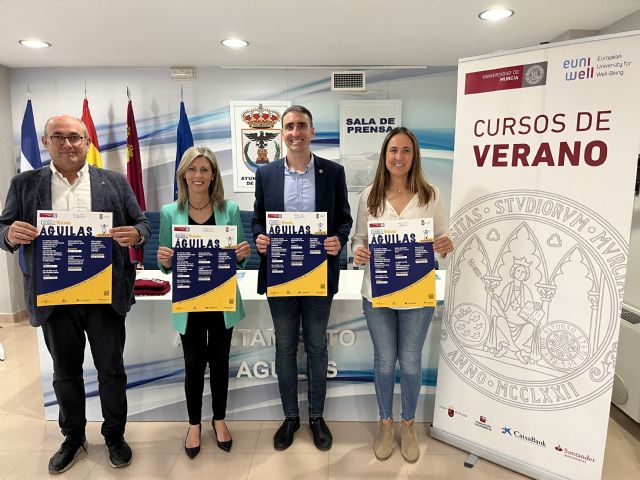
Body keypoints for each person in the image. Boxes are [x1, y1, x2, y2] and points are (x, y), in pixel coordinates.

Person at [0, 114, 151, 474]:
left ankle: (114, 435)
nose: (67, 144)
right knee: (65, 373)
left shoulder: (114, 182)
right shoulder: (24, 184)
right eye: (58, 137)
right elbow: (3, 227)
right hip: (54, 296)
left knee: (111, 370)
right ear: (45, 142)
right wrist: (9, 235)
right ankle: (73, 437)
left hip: (104, 296)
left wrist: (137, 235)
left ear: (87, 142)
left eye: (74, 137)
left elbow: (142, 223)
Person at [252, 105, 352, 451]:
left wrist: (338, 238)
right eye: (290, 126)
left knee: (316, 346)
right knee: (284, 347)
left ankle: (316, 417)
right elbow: (257, 220)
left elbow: (344, 219)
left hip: (318, 275)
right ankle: (291, 417)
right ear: (282, 133)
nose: (296, 132)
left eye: (302, 126)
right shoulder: (266, 174)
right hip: (280, 274)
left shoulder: (333, 172)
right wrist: (259, 238)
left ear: (312, 131)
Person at [351, 126, 453, 463]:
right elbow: (359, 239)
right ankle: (385, 423)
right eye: (393, 150)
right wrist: (358, 251)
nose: (399, 156)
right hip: (377, 293)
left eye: (406, 150)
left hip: (417, 293)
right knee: (384, 362)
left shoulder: (430, 195)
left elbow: (441, 238)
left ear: (414, 156)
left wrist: (445, 244)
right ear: (385, 155)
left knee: (409, 363)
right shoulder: (369, 196)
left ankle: (407, 424)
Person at [156, 146, 250, 459]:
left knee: (220, 362)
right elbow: (166, 265)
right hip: (190, 301)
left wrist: (242, 254)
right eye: (192, 169)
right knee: (193, 365)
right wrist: (164, 260)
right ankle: (194, 424)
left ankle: (219, 419)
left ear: (213, 175)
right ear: (183, 174)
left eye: (204, 170)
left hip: (222, 300)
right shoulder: (170, 212)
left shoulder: (230, 209)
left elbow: (238, 260)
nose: (198, 175)